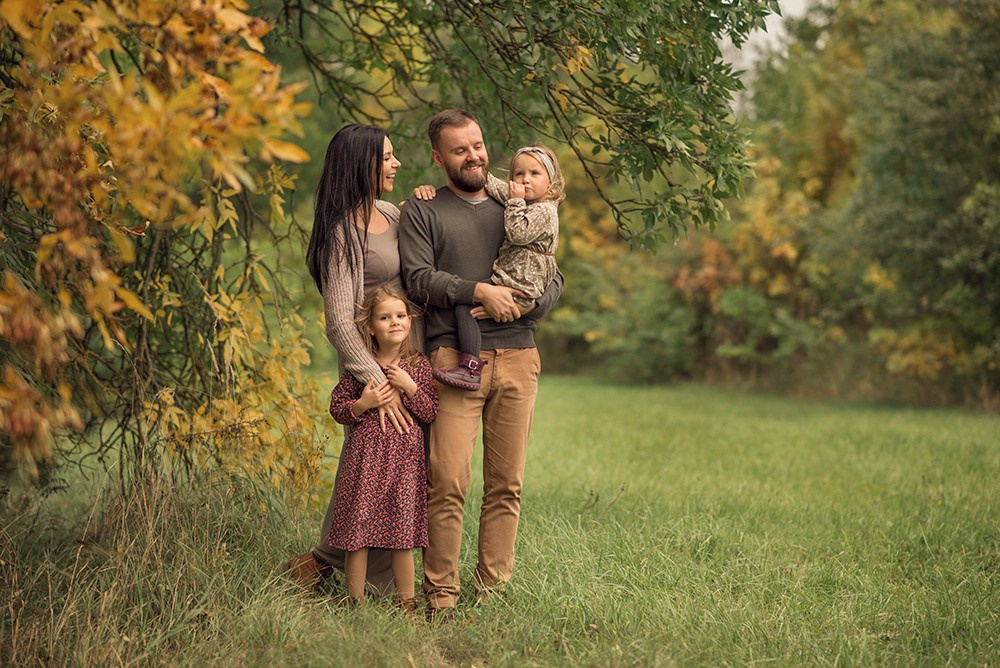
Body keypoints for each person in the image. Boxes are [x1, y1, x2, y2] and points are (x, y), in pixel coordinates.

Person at [399, 109, 564, 620]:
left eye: (478, 144)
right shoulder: (423, 209)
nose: (473, 156)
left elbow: (553, 275)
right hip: (454, 356)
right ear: (437, 157)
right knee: (446, 480)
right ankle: (441, 596)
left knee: (506, 483)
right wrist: (479, 292)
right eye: (459, 149)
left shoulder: (516, 202)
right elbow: (418, 278)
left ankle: (493, 591)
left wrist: (529, 304)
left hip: (519, 353)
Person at [285, 124, 417, 594]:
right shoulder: (344, 232)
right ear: (360, 165)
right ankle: (334, 569)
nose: (395, 164)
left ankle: (323, 566)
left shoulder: (388, 212)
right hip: (370, 371)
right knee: (369, 470)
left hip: (402, 364)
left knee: (395, 470)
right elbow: (339, 321)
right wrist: (377, 384)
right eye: (386, 157)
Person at [415, 145, 564, 391]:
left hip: (522, 281)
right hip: (516, 276)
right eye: (518, 174)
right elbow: (493, 186)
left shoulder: (545, 210)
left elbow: (517, 233)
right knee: (472, 304)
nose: (525, 180)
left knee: (465, 305)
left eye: (534, 174)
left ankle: (470, 366)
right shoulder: (525, 200)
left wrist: (515, 201)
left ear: (551, 181)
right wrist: (437, 190)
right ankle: (472, 364)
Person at [326, 286, 438, 612]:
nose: (394, 322)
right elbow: (337, 408)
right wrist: (363, 404)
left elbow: (430, 412)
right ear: (371, 326)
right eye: (385, 317)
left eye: (400, 316)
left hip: (404, 464)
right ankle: (355, 602)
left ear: (410, 320)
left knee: (402, 535)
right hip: (364, 462)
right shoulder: (360, 367)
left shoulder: (417, 366)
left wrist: (410, 387)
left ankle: (407, 603)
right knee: (357, 533)